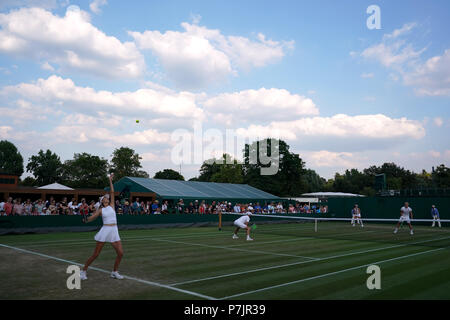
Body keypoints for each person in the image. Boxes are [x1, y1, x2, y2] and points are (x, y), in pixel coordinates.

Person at [81, 173, 124, 281]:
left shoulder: (112, 205)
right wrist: (86, 220)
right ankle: (83, 271)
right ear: (102, 201)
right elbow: (92, 217)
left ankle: (114, 272)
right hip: (105, 231)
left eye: (108, 197)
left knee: (120, 253)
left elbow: (112, 192)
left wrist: (110, 180)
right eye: (105, 197)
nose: (107, 198)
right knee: (96, 254)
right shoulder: (100, 210)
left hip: (114, 230)